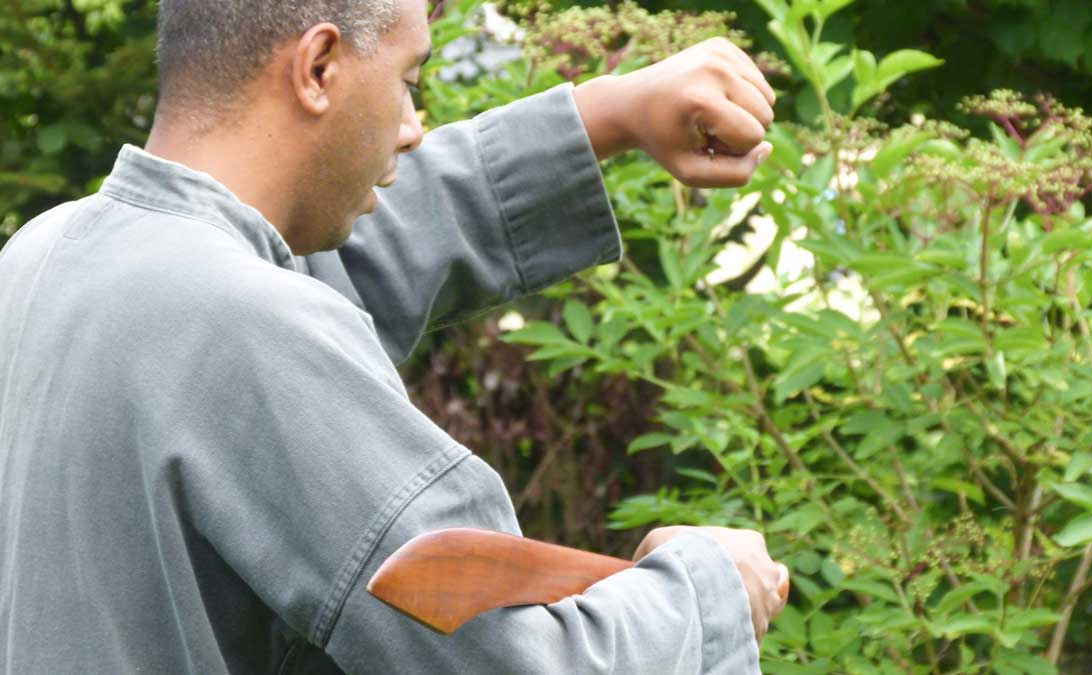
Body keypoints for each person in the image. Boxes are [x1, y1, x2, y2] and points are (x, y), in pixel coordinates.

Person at [0, 1, 788, 672]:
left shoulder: (45, 256)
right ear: (318, 68)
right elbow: (515, 658)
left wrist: (608, 116)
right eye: (410, 81)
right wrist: (711, 587)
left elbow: (326, 264)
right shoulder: (250, 326)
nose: (413, 129)